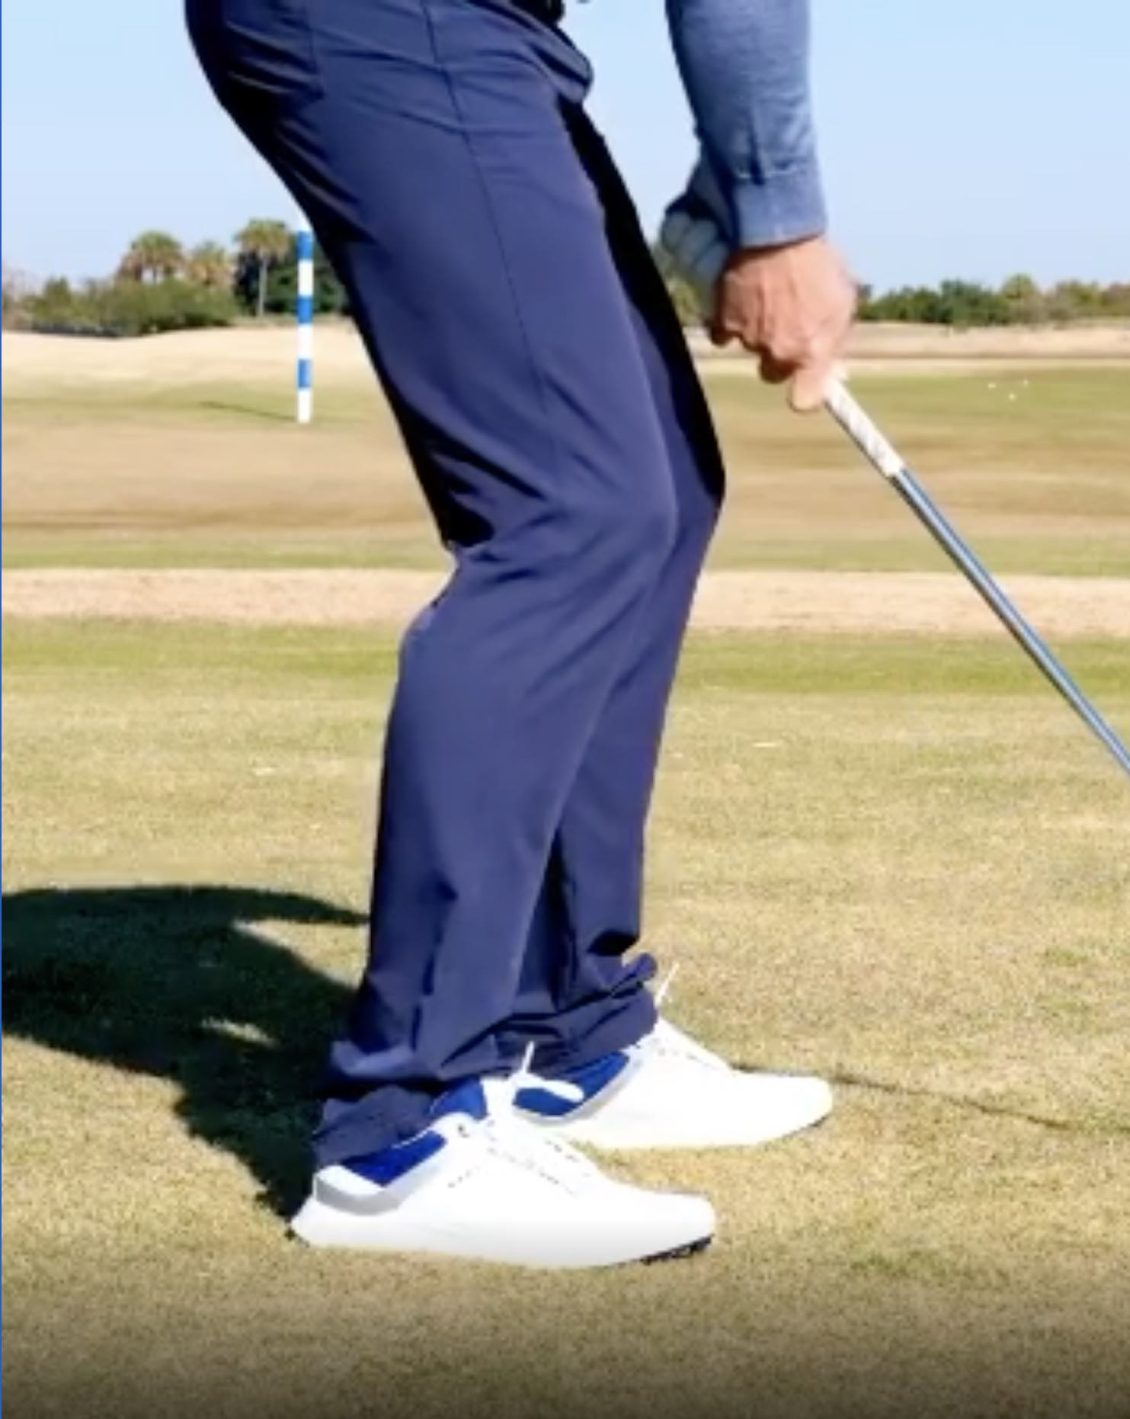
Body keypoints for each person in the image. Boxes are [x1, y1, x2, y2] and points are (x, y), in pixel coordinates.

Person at [184, 0, 858, 1268]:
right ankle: (403, 1127)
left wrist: (734, 189)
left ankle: (566, 1029)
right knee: (571, 512)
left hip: (487, 27)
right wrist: (775, 214)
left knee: (660, 492)